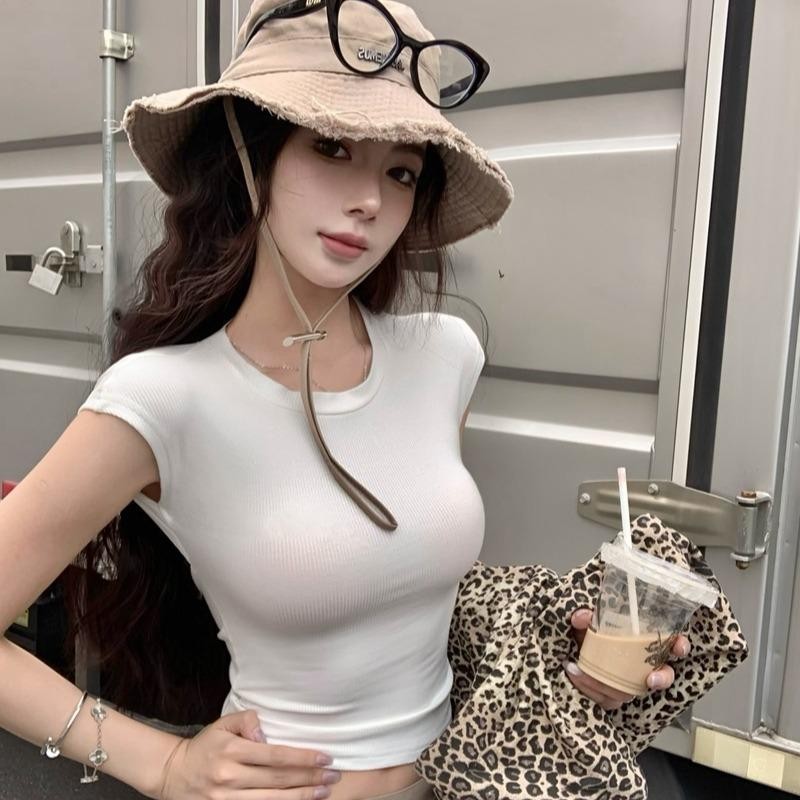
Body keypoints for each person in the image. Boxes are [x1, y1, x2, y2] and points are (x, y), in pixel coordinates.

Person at [0, 1, 689, 799]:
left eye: (401, 171)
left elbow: (404, 580)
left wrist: (568, 656)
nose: (370, 200)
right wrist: (160, 764)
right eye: (331, 146)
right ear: (250, 152)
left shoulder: (445, 355)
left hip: (458, 781)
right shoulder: (161, 398)